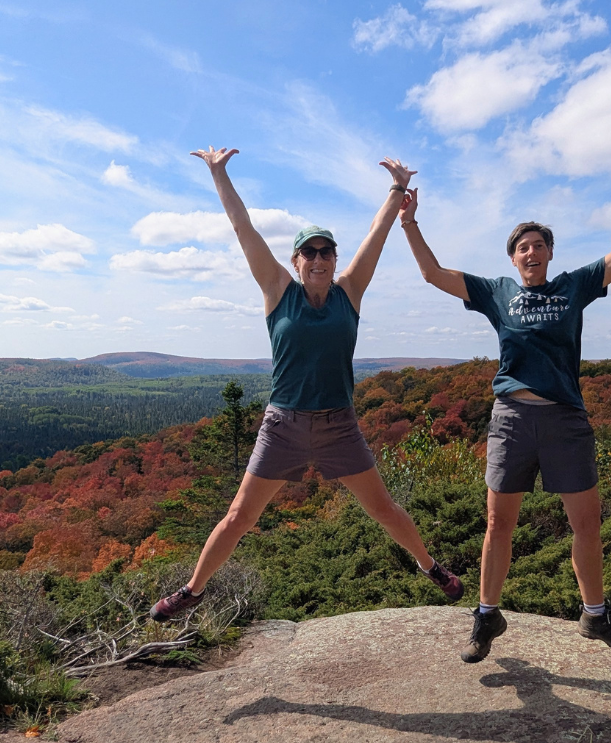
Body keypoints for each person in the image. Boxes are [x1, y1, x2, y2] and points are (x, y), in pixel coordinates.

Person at [397, 142, 611, 662]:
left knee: (586, 524)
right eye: (522, 245)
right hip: (513, 419)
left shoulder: (575, 287)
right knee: (499, 523)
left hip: (566, 418)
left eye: (539, 244)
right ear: (512, 256)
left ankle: (595, 616)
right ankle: (486, 615)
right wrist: (410, 224)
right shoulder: (496, 292)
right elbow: (433, 274)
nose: (531, 251)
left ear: (549, 253)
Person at [150, 147, 464, 621]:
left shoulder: (350, 291)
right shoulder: (278, 291)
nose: (318, 258)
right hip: (284, 426)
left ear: (335, 258)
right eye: (309, 252)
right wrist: (219, 174)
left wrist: (397, 189)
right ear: (295, 261)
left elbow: (377, 236)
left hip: (340, 425)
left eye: (326, 251)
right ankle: (192, 591)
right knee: (240, 517)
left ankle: (430, 566)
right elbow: (243, 229)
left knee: (383, 509)